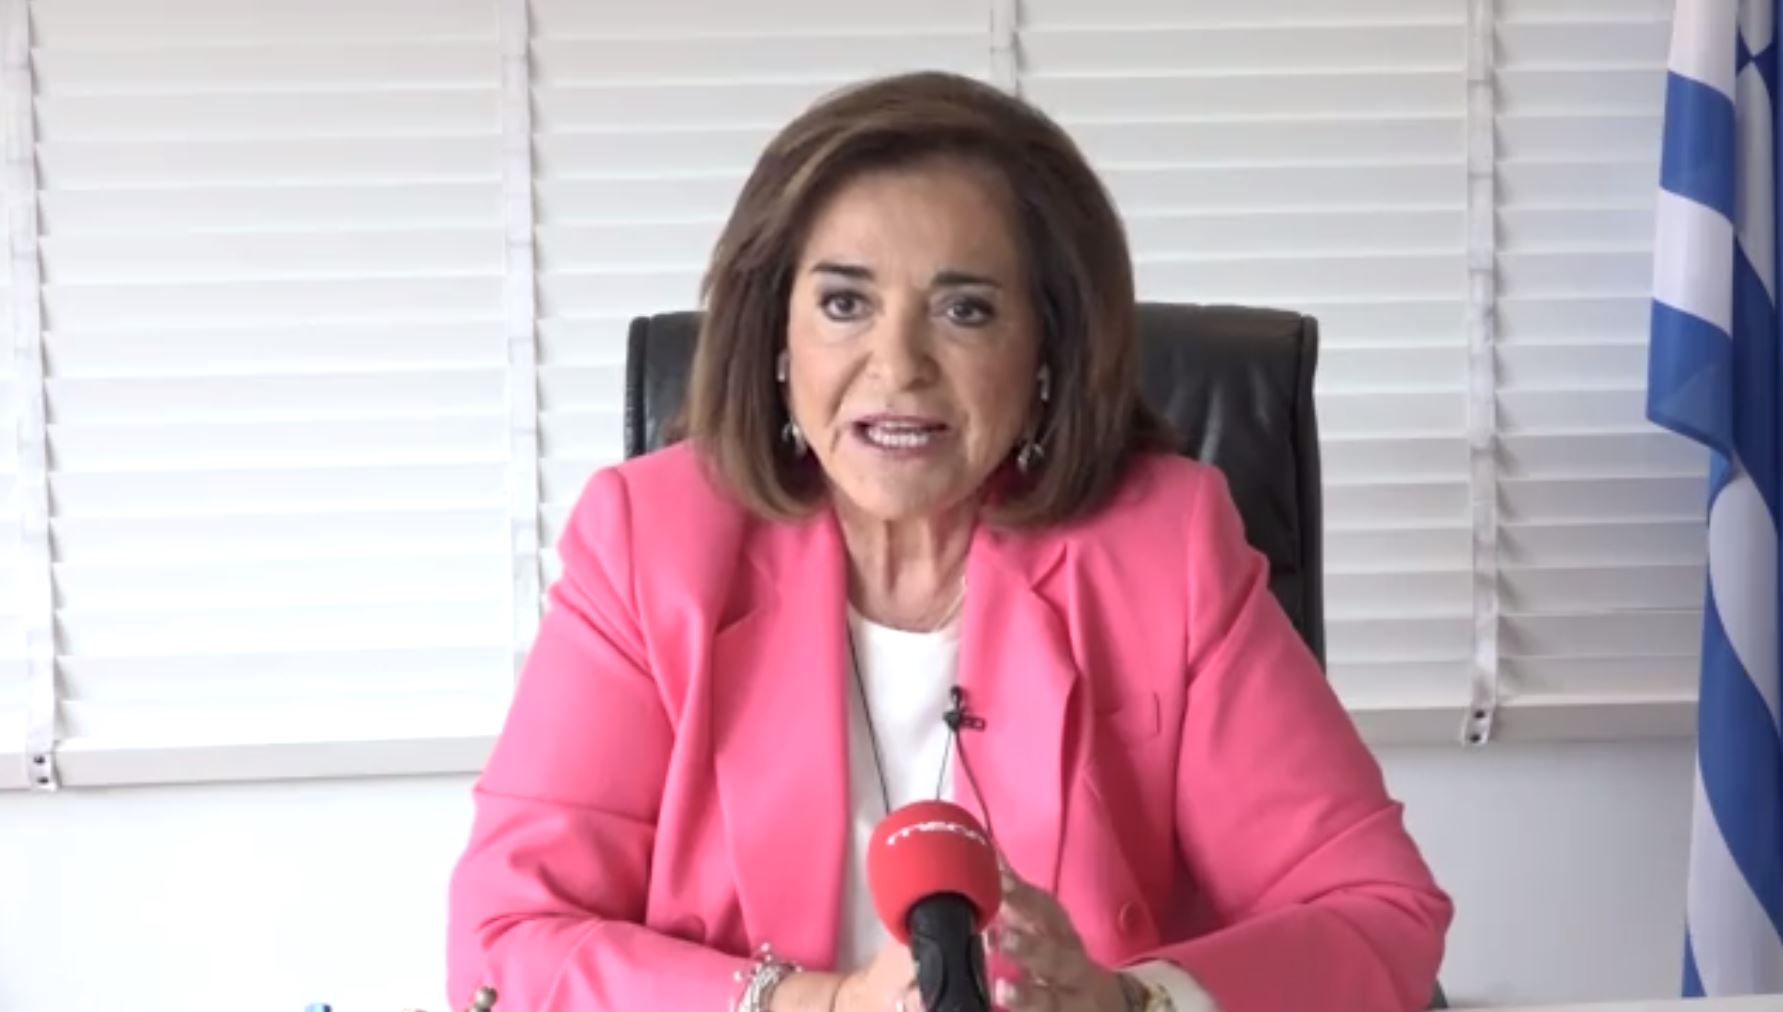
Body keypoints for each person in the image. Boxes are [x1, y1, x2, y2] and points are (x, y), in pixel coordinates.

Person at [446, 71, 1452, 1012]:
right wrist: (817, 1004)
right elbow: (505, 938)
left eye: (964, 311)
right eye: (844, 303)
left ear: (1048, 350)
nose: (898, 366)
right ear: (776, 338)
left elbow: (1377, 914)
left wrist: (1126, 1000)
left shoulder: (1163, 548)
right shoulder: (651, 546)